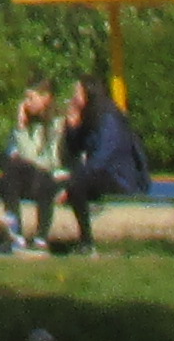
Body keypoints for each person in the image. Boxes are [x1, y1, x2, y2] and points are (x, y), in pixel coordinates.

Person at [56, 81, 150, 250]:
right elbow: (75, 150)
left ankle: (86, 241)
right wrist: (71, 128)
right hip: (98, 174)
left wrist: (74, 179)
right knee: (55, 184)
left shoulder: (108, 117)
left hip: (118, 177)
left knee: (76, 185)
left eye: (77, 93)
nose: (74, 98)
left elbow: (102, 157)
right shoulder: (90, 116)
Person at [0, 82, 66, 253]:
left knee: (23, 170)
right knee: (11, 173)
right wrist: (21, 128)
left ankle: (40, 237)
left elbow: (49, 162)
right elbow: (12, 154)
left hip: (49, 178)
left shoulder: (57, 124)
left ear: (46, 98)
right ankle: (16, 233)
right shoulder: (24, 124)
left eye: (31, 98)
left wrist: (22, 131)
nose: (26, 103)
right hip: (25, 178)